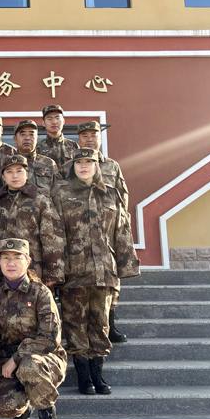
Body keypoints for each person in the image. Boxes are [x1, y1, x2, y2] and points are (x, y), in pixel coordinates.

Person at [51, 149, 140, 396]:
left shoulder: (110, 193)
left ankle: (98, 375)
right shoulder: (61, 193)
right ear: (72, 167)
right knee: (75, 327)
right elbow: (54, 233)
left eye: (88, 162)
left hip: (104, 272)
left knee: (100, 326)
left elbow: (122, 231)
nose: (83, 166)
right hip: (73, 273)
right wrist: (55, 271)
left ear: (96, 166)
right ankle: (84, 378)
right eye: (78, 162)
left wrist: (126, 267)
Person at [0, 238, 66, 419]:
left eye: (17, 257)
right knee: (5, 407)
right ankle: (25, 408)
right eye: (5, 258)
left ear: (27, 261)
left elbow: (50, 337)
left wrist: (16, 358)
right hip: (11, 365)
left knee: (30, 366)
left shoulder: (40, 292)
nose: (11, 263)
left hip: (45, 359)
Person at [61, 121, 130, 343]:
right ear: (78, 140)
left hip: (104, 233)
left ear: (100, 139)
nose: (90, 139)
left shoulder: (112, 166)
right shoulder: (68, 167)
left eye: (94, 135)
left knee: (109, 287)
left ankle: (110, 323)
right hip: (78, 236)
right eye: (85, 135)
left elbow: (122, 198)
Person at [0, 154, 66, 286]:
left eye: (19, 171)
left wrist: (53, 271)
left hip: (34, 269)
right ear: (3, 176)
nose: (15, 176)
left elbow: (52, 238)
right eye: (9, 172)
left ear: (27, 174)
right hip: (3, 270)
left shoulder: (40, 200)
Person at [11, 120, 58, 196]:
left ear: (36, 138)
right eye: (23, 135)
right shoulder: (7, 164)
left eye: (31, 134)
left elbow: (57, 193)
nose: (27, 138)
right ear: (15, 139)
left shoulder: (49, 163)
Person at [36, 105, 80, 175]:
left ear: (63, 121)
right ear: (43, 123)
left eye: (57, 118)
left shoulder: (73, 146)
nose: (54, 122)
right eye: (49, 119)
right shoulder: (38, 147)